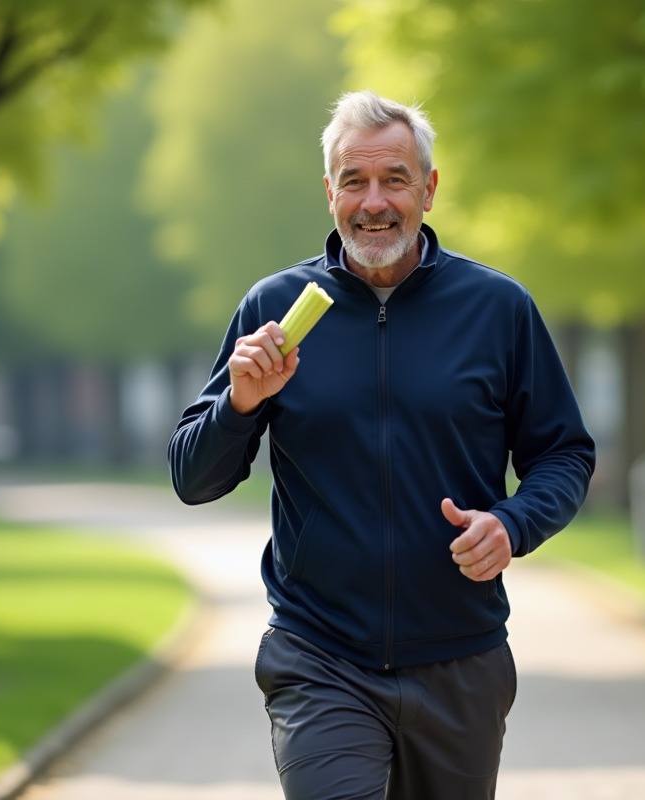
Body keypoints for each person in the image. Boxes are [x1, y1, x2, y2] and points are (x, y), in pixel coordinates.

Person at [169, 90, 596, 800]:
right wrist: (240, 403)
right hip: (319, 657)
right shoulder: (274, 309)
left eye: (394, 179)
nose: (374, 202)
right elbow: (194, 478)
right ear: (329, 191)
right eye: (354, 181)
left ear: (428, 188)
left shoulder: (498, 310)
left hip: (461, 660)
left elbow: (564, 453)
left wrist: (513, 524)